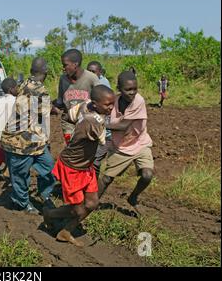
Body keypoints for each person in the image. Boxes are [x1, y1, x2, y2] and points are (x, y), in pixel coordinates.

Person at [43, 85, 115, 246]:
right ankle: (50, 214)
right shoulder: (93, 121)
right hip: (73, 168)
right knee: (78, 209)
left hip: (85, 166)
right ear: (95, 104)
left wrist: (71, 134)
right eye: (107, 105)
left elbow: (68, 116)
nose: (111, 108)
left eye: (112, 104)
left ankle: (65, 232)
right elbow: (104, 139)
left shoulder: (85, 105)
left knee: (92, 203)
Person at [0, 57, 56, 213]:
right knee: (21, 174)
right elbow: (43, 114)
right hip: (20, 140)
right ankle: (22, 203)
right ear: (46, 72)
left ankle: (45, 195)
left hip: (33, 139)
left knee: (48, 166)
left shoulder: (24, 83)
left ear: (31, 71)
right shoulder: (39, 89)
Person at [99, 71, 154, 212]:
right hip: (121, 146)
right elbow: (102, 113)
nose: (132, 92)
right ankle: (91, 204)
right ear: (118, 88)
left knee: (147, 175)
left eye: (135, 89)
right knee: (106, 179)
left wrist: (98, 123)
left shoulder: (138, 101)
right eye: (128, 89)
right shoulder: (113, 102)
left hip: (140, 142)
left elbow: (123, 126)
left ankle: (133, 197)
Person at [52, 49, 100, 144]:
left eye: (65, 65)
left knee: (84, 148)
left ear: (75, 64)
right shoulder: (63, 79)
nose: (63, 68)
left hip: (86, 121)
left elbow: (99, 100)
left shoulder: (91, 78)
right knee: (71, 147)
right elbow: (61, 100)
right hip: (68, 122)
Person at [87, 61, 112, 178]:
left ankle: (93, 187)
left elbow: (106, 109)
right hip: (91, 127)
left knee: (95, 161)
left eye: (93, 71)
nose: (90, 73)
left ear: (99, 72)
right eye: (89, 71)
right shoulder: (87, 81)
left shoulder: (103, 84)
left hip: (103, 130)